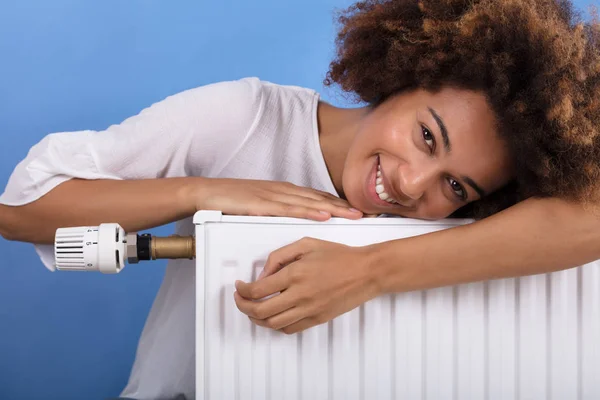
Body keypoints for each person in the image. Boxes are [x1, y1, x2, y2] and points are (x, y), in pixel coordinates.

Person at [1, 0, 598, 398]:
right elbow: (22, 210)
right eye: (425, 136)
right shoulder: (245, 119)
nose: (416, 184)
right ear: (403, 72)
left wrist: (370, 271)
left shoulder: (469, 227)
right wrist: (204, 191)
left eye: (456, 185)